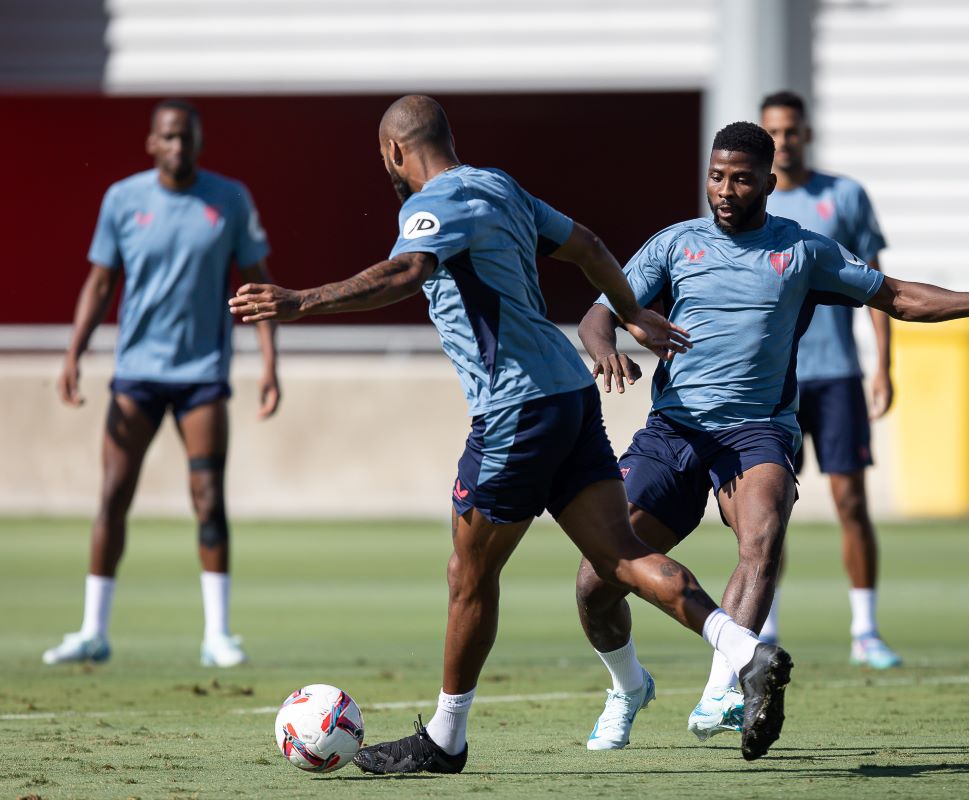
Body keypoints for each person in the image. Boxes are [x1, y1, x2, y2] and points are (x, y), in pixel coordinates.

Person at [228, 95, 793, 772]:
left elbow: (407, 271)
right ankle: (744, 650)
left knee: (468, 572)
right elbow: (588, 246)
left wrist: (301, 300)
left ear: (395, 153)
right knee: (618, 554)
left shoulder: (430, 205)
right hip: (570, 395)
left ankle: (446, 738)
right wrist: (631, 310)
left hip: (516, 410)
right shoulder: (501, 186)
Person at [574, 121, 969, 748]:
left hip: (757, 431)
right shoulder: (675, 245)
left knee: (762, 536)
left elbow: (896, 296)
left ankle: (723, 688)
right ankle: (628, 686)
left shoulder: (802, 251)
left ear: (768, 183)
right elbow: (599, 314)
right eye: (717, 177)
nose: (725, 190)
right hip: (674, 431)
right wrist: (605, 349)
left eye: (741, 179)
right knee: (596, 580)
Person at [44, 99, 280, 669]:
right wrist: (74, 353)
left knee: (208, 497)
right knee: (113, 495)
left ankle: (217, 635)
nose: (178, 146)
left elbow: (258, 283)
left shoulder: (229, 200)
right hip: (137, 375)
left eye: (186, 137)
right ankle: (93, 630)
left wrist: (270, 362)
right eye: (168, 137)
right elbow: (100, 283)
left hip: (201, 375)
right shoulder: (123, 200)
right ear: (152, 143)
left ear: (199, 143)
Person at [758, 89, 899, 668]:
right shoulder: (748, 199)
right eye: (772, 132)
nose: (783, 142)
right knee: (766, 510)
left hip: (837, 374)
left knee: (850, 501)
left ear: (806, 134)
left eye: (791, 131)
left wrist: (884, 365)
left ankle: (865, 631)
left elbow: (878, 285)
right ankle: (762, 633)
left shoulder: (844, 196)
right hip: (773, 380)